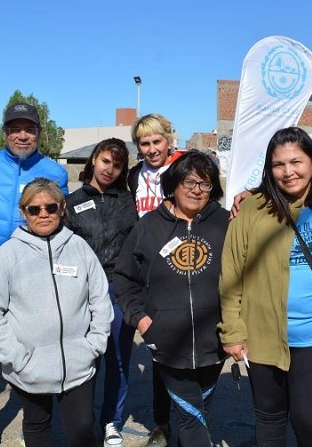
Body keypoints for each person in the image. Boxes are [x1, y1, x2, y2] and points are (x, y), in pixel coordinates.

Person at [220, 127, 312, 447]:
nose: (288, 172)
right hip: (263, 337)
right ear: (268, 168)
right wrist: (232, 332)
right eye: (279, 165)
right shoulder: (251, 209)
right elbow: (230, 274)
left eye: (296, 162)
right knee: (271, 421)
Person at [0, 103, 69, 447]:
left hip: (33, 283)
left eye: (30, 129)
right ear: (4, 132)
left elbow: (62, 224)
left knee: (33, 354)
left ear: (39, 132)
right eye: (15, 128)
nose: (23, 135)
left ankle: (34, 424)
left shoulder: (55, 172)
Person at [0, 178, 112, 446]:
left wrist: (94, 344)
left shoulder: (79, 248)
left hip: (79, 364)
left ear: (62, 208)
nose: (43, 214)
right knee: (37, 426)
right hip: (29, 367)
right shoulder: (9, 254)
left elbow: (100, 298)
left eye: (50, 207)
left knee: (82, 430)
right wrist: (18, 358)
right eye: (34, 209)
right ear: (23, 211)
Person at [115, 151, 229, 447]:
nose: (196, 190)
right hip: (167, 342)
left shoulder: (226, 222)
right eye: (189, 181)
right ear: (174, 184)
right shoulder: (149, 226)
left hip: (214, 341)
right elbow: (124, 278)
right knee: (191, 418)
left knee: (197, 413)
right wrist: (141, 319)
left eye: (205, 184)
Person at [64, 138, 137, 446]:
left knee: (118, 361)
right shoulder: (71, 201)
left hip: (119, 289)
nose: (110, 169)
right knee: (83, 361)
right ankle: (83, 422)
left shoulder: (128, 202)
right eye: (106, 161)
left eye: (117, 164)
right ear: (93, 160)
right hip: (82, 291)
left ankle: (112, 421)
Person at [126, 113, 180, 445]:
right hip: (147, 270)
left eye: (156, 141)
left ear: (168, 140)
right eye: (144, 143)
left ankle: (190, 418)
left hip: (180, 266)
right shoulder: (134, 176)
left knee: (183, 345)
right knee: (157, 348)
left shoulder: (182, 171)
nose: (151, 148)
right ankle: (162, 423)